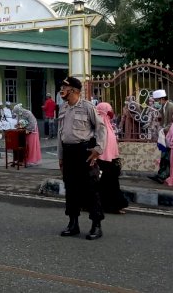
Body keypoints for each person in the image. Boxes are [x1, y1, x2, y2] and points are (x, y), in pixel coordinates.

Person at [57, 77, 107, 240]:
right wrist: (61, 156)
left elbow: (101, 128)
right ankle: (73, 223)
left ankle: (96, 225)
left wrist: (98, 149)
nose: (62, 91)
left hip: (84, 152)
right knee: (71, 189)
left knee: (91, 189)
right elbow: (60, 134)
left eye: (65, 88)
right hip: (68, 152)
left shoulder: (87, 107)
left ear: (74, 90)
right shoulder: (63, 108)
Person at [96, 102, 129, 214]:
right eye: (109, 109)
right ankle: (105, 206)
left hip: (110, 160)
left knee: (110, 183)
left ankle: (112, 206)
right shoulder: (99, 123)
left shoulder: (107, 123)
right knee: (103, 184)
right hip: (100, 159)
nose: (111, 112)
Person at [149, 89, 173, 183]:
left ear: (162, 99)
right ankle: (161, 175)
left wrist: (164, 128)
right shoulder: (164, 107)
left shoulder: (172, 107)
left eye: (157, 100)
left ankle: (163, 176)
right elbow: (164, 119)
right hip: (167, 135)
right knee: (165, 155)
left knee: (170, 157)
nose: (156, 103)